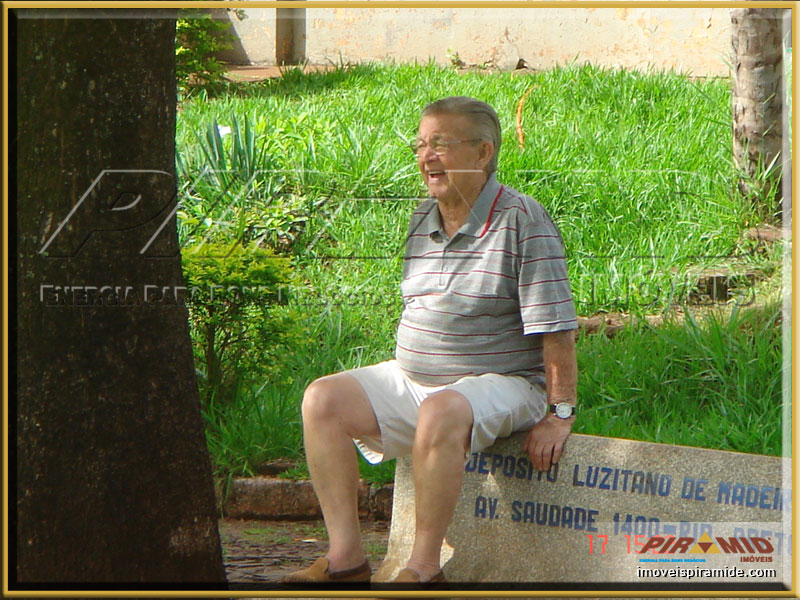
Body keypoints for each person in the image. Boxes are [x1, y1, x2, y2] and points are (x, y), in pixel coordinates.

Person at [282, 96, 578, 587]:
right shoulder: (424, 217)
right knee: (323, 398)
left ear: (483, 154)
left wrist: (560, 412)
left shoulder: (522, 219)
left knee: (440, 410)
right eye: (421, 144)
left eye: (440, 143)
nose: (426, 156)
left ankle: (422, 568)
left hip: (503, 383)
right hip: (418, 380)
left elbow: (556, 325)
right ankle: (346, 560)